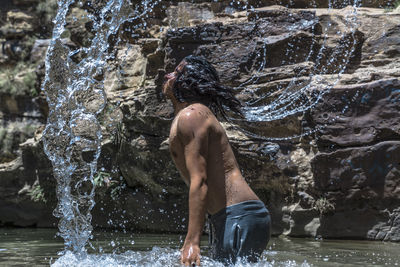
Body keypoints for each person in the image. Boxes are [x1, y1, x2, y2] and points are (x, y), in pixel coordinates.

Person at [162, 55, 271, 266]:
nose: (168, 75)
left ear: (188, 81)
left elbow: (200, 181)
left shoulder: (191, 116)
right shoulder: (190, 115)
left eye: (176, 73)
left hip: (238, 215)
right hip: (228, 217)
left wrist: (193, 242)